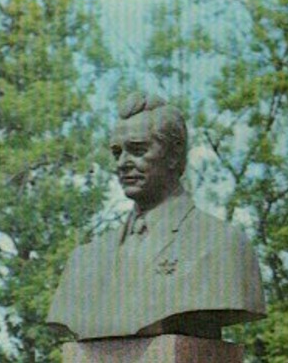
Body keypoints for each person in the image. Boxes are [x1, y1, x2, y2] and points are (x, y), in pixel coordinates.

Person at [47, 92, 264, 340]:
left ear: (173, 154)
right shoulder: (84, 260)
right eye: (117, 153)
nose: (123, 163)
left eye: (138, 150)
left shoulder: (223, 245)